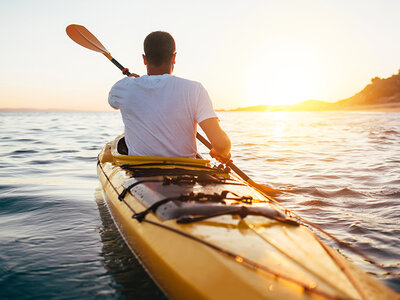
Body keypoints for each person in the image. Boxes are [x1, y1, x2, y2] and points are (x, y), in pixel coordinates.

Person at [108, 31, 231, 163]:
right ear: (174, 57)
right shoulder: (195, 89)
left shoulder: (123, 87)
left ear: (144, 59)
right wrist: (220, 151)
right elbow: (222, 145)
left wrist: (133, 82)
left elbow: (113, 102)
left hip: (138, 172)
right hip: (186, 173)